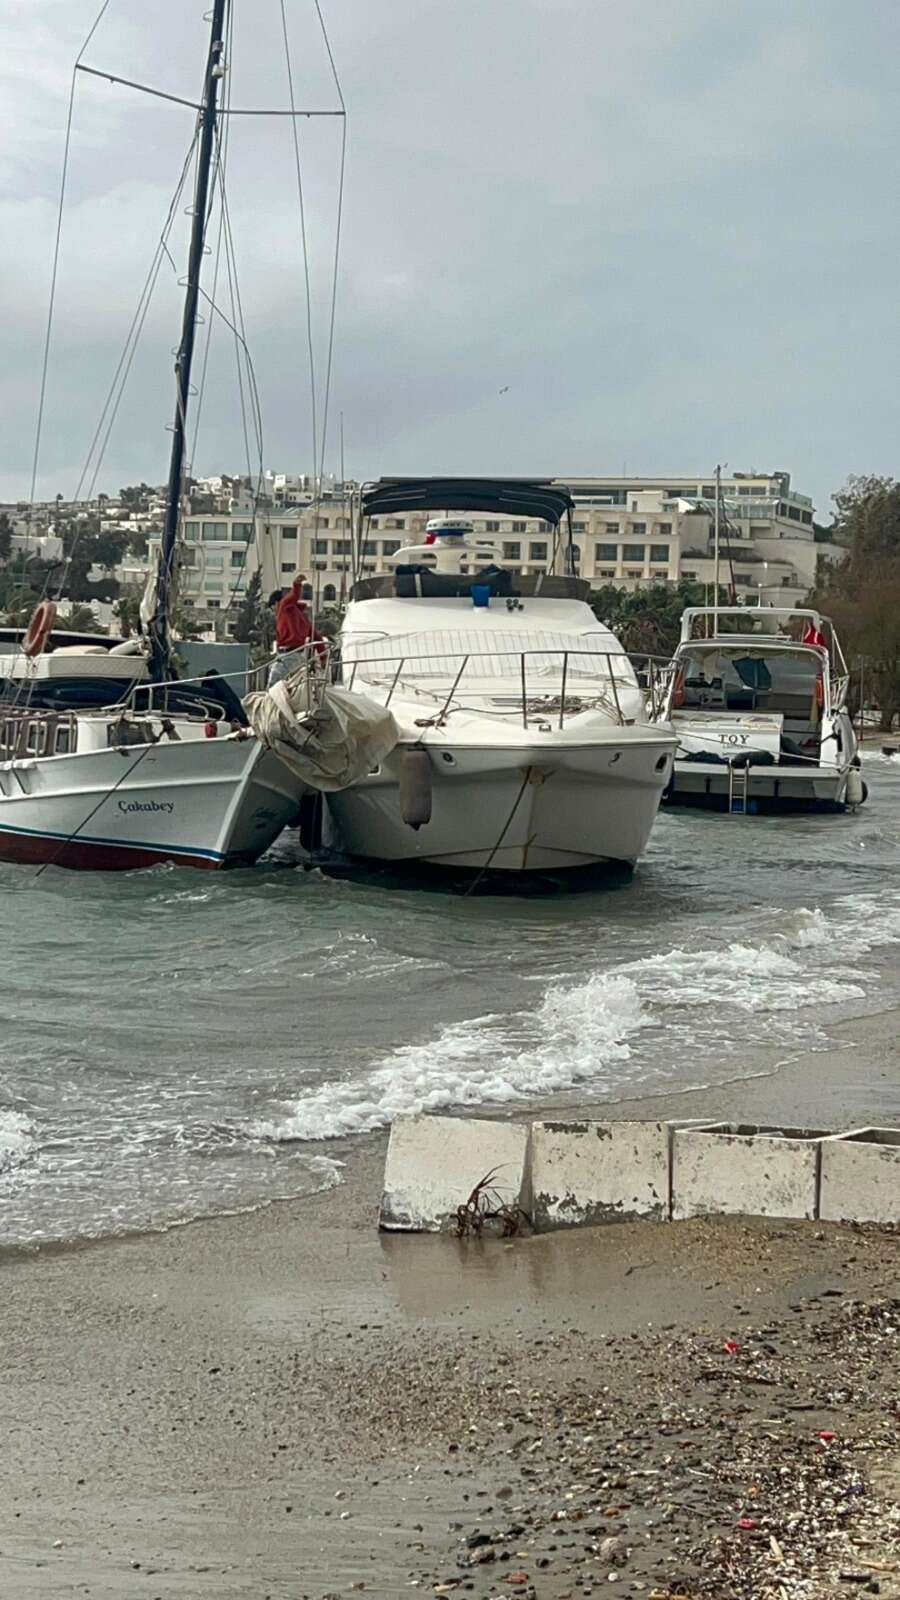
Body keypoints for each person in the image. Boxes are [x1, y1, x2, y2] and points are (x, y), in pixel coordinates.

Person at [267, 574, 327, 685]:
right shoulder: (302, 617)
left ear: (276, 603)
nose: (274, 612)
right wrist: (323, 658)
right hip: (299, 657)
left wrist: (297, 584)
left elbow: (292, 596)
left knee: (272, 684)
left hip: (287, 655)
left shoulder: (283, 606)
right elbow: (317, 637)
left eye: (272, 608)